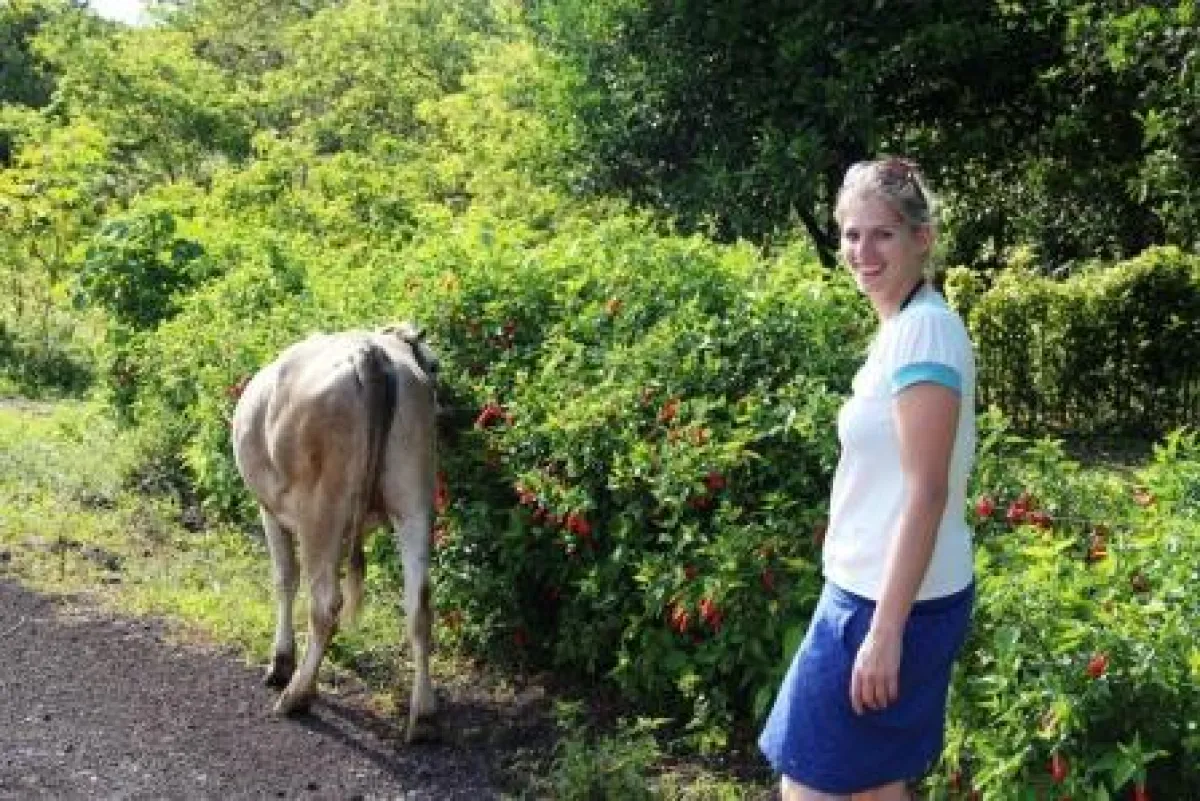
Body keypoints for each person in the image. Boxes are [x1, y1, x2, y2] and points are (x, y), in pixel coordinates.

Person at [759, 157, 977, 801]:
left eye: (882, 234)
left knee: (808, 782)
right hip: (888, 594)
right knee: (873, 788)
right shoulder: (907, 326)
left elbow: (927, 491)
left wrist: (885, 633)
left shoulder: (924, 333)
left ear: (922, 238)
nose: (862, 251)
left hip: (885, 603)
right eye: (852, 234)